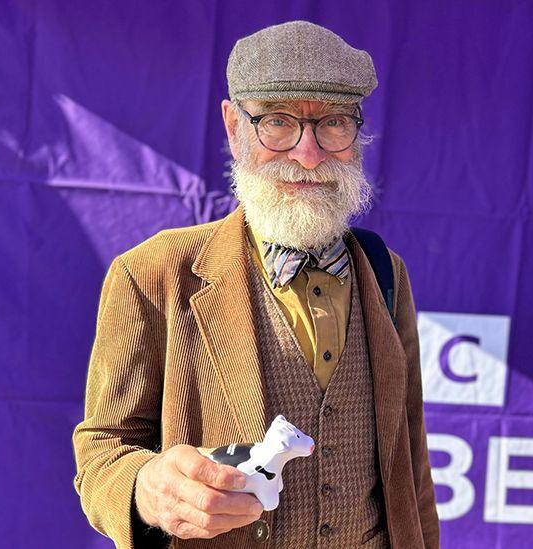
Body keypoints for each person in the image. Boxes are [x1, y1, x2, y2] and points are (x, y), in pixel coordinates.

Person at [72, 20, 439, 549]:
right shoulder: (151, 274)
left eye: (333, 123)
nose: (308, 155)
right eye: (278, 122)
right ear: (232, 124)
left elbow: (410, 460)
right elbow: (103, 451)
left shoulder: (385, 271)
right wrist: (146, 489)